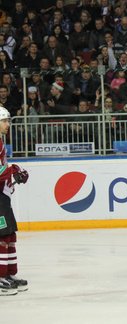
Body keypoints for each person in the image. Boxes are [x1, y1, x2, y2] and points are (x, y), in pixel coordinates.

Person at [0, 106, 29, 295]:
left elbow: (3, 168)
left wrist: (15, 170)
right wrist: (12, 171)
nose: (8, 124)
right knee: (1, 237)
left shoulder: (0, 142)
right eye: (4, 121)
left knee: (10, 235)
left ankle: (9, 273)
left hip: (3, 195)